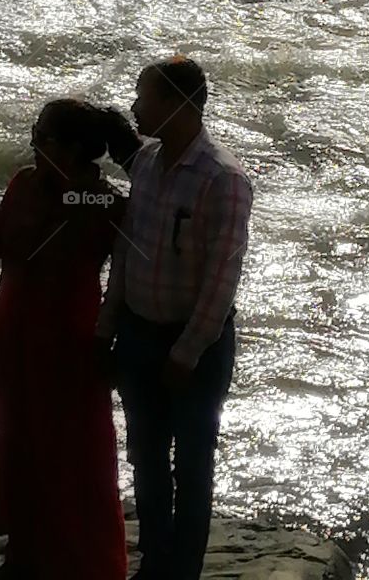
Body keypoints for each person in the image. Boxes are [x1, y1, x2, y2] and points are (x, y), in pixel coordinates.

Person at [0, 98, 141, 580]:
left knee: (77, 453)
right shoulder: (24, 184)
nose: (34, 145)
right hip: (11, 334)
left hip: (70, 339)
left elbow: (135, 263)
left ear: (75, 149)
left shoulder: (104, 203)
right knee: (16, 444)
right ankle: (29, 553)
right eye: (34, 136)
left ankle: (90, 563)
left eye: (44, 138)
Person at [97, 56, 253, 580]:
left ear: (180, 105)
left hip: (197, 346)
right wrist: (107, 326)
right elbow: (126, 252)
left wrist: (187, 352)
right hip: (139, 334)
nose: (136, 107)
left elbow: (221, 279)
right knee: (145, 456)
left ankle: (182, 571)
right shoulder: (144, 164)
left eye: (146, 97)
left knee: (191, 463)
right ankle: (154, 564)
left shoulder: (223, 179)